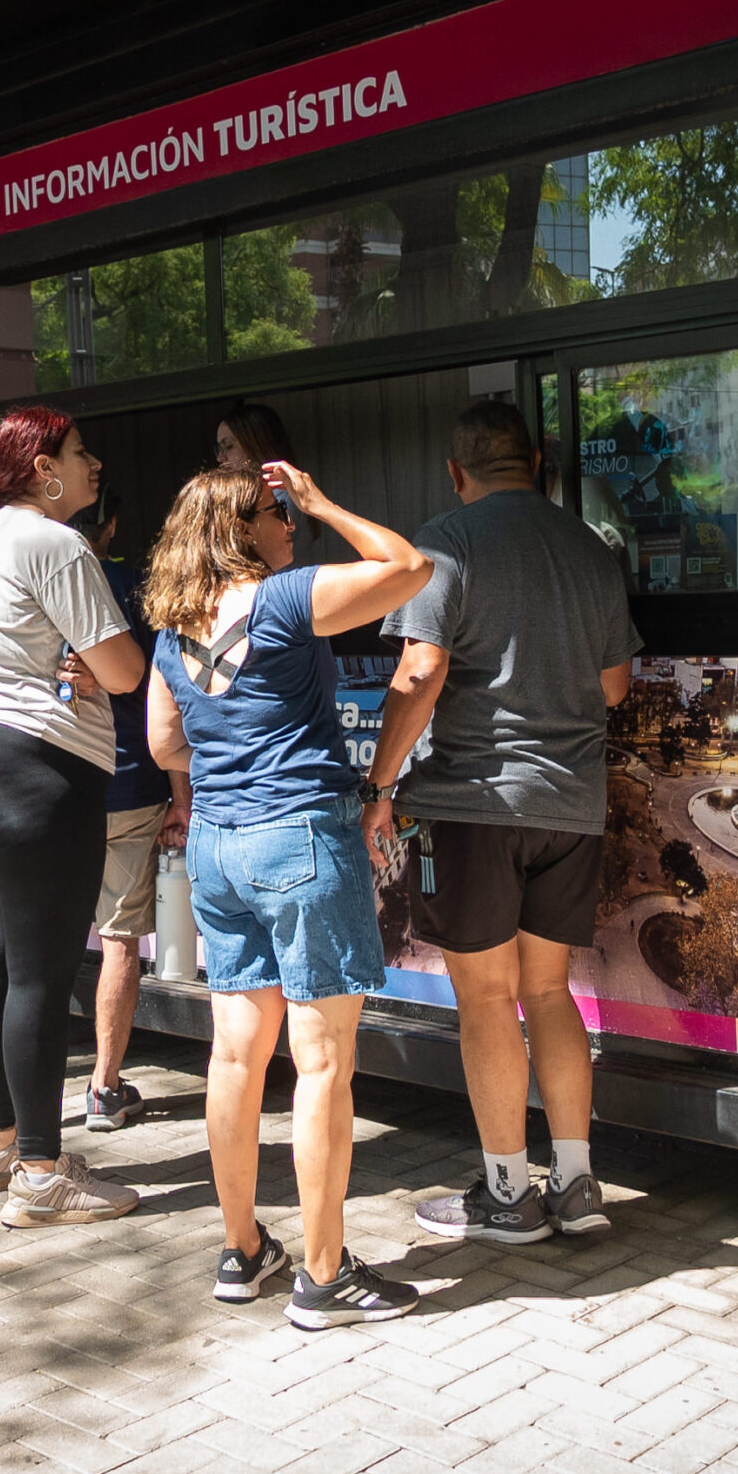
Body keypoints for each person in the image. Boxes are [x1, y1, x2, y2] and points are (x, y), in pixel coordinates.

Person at [145, 461, 433, 1327]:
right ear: (244, 530)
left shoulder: (171, 627)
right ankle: (322, 1274)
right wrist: (326, 498)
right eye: (279, 516)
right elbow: (407, 566)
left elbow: (165, 740)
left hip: (218, 846)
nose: (291, 528)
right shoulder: (280, 600)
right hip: (301, 836)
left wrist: (230, 755)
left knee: (234, 1055)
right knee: (322, 1063)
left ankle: (242, 1250)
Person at [364, 399, 642, 1243]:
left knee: (486, 999)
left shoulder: (449, 540)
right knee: (549, 991)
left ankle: (507, 1196)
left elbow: (420, 672)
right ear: (536, 461)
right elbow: (615, 686)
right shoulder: (590, 548)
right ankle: (578, 1183)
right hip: (571, 805)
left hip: (476, 807)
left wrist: (379, 781)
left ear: (458, 471)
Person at [0, 406, 147, 1227]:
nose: (94, 464)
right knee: (42, 974)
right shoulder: (57, 542)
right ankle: (39, 1171)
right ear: (42, 468)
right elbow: (126, 669)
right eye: (80, 452)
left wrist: (77, 666)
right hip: (33, 770)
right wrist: (93, 668)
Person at [70, 485, 191, 1133]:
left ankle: (13, 1100)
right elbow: (165, 690)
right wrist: (182, 797)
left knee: (46, 943)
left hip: (56, 791)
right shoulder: (140, 587)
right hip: (130, 786)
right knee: (120, 942)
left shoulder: (43, 586)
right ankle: (103, 1087)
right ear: (113, 525)